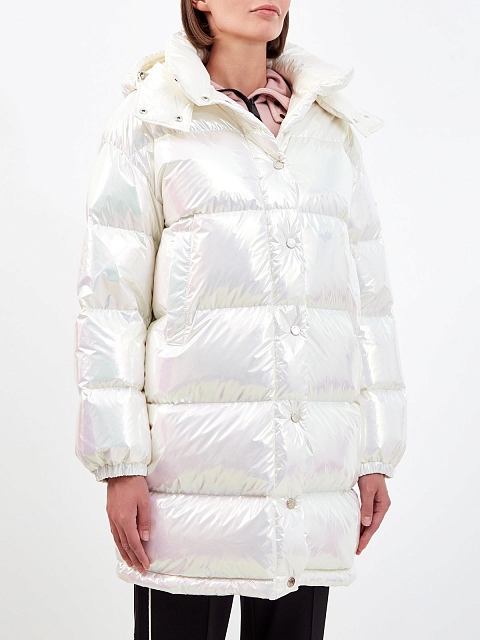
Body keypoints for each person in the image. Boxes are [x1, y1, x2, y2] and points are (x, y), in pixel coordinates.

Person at [74, 1, 407, 638]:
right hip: (184, 481)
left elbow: (368, 302)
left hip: (309, 476)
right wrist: (120, 461)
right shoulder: (153, 118)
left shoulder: (328, 129)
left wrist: (375, 452)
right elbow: (111, 303)